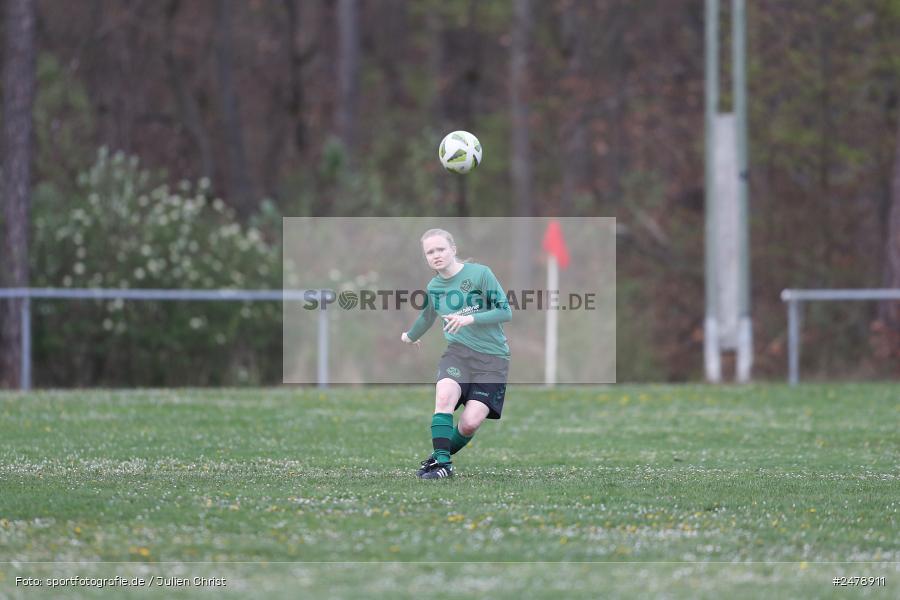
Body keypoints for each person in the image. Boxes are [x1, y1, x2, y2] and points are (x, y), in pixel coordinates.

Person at [401, 228, 512, 479]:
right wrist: (410, 336)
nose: (436, 255)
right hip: (458, 354)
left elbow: (505, 311)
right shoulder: (434, 287)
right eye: (430, 252)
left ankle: (438, 457)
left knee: (470, 423)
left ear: (453, 249)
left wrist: (469, 318)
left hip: (493, 359)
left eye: (440, 249)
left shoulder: (480, 274)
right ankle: (444, 466)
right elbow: (426, 316)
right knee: (444, 398)